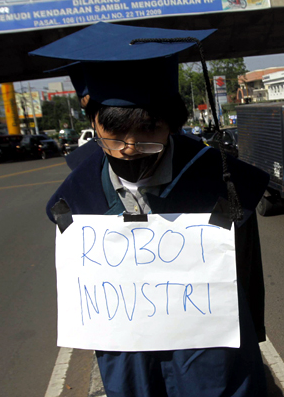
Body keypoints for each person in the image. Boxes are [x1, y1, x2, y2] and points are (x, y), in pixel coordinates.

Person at [32, 22, 269, 397]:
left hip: (206, 348)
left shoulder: (223, 185)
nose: (130, 147)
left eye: (147, 130)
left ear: (172, 125)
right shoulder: (76, 199)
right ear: (92, 120)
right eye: (114, 133)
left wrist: (250, 331)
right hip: (128, 350)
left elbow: (248, 270)